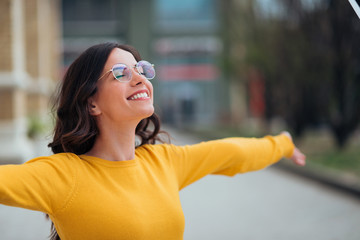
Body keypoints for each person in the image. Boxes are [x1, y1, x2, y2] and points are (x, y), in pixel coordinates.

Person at [0, 42, 306, 240]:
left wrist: (282, 144)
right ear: (91, 103)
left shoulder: (162, 162)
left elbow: (231, 153)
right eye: (120, 73)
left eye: (142, 69)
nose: (140, 78)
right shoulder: (64, 176)